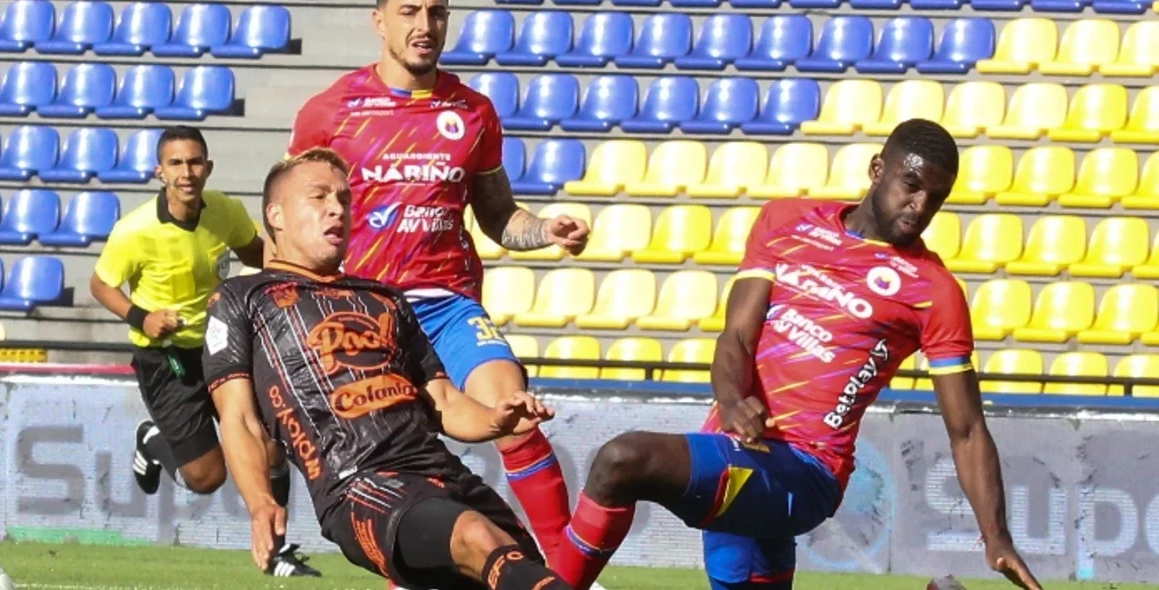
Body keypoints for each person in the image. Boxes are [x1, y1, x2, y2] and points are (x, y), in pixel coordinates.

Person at [550, 120, 1044, 590]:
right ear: (878, 169)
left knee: (623, 459)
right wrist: (731, 402)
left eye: (934, 198)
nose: (919, 205)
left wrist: (995, 532)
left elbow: (967, 428)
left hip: (805, 470)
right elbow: (736, 337)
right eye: (910, 185)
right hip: (735, 440)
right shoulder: (786, 220)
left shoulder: (933, 291)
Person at [284, 0, 591, 566]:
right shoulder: (328, 113)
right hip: (365, 310)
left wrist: (546, 229)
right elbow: (295, 216)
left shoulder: (473, 111)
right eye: (408, 12)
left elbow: (499, 216)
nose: (424, 26)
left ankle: (568, 569)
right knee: (396, 461)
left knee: (513, 411)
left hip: (447, 304)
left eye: (437, 12)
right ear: (379, 20)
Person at [203, 147, 574, 590]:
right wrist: (260, 501)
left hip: (443, 474)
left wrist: (496, 419)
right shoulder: (242, 299)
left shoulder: (385, 298)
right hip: (358, 483)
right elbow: (239, 417)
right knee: (478, 539)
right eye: (319, 197)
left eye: (343, 199)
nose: (336, 209)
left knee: (522, 566)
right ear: (276, 216)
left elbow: (444, 401)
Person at [90, 125, 318, 578]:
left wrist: (300, 265)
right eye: (176, 163)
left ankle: (277, 550)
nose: (186, 172)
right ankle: (151, 440)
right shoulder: (135, 231)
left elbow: (257, 252)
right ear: (160, 171)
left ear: (208, 168)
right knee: (206, 477)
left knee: (271, 445)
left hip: (222, 346)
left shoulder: (225, 212)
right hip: (166, 358)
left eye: (195, 162)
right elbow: (101, 284)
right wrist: (143, 318)